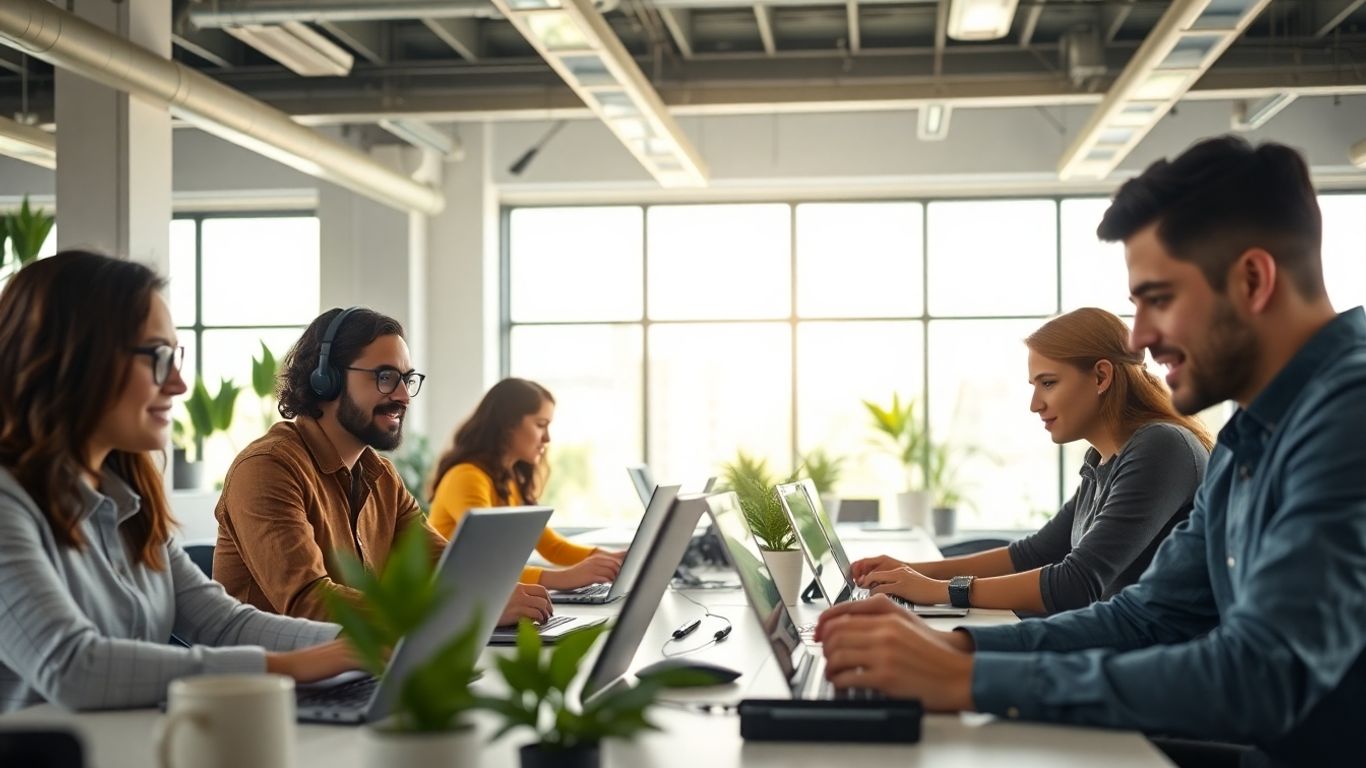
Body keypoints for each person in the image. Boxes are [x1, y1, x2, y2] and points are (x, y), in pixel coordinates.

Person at [815, 136, 1366, 765]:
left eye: (1159, 299)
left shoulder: (1348, 416)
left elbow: (1260, 677)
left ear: (1252, 280)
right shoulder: (1247, 435)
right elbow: (1145, 616)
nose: (1139, 339)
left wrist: (968, 677)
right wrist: (958, 649)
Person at [0, 251, 359, 712]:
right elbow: (72, 667)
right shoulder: (8, 503)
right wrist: (288, 667)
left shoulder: (130, 501)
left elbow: (224, 625)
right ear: (72, 359)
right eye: (158, 356)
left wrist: (369, 643)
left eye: (176, 356)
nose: (178, 384)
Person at [852, 307, 1212, 615]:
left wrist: (937, 590)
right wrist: (910, 571)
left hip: (1157, 662)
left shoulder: (1162, 447)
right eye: (1034, 386)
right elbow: (1033, 554)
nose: (1035, 404)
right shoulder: (1102, 461)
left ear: (1102, 376)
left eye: (1048, 383)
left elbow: (1076, 583)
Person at [213, 308, 550, 625]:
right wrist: (473, 607)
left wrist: (502, 593)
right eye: (385, 377)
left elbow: (445, 567)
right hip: (278, 667)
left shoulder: (381, 477)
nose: (404, 395)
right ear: (326, 379)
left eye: (407, 379)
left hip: (363, 660)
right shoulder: (267, 469)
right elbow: (309, 602)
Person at [427, 378, 625, 591]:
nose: (547, 438)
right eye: (541, 425)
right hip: (448, 600)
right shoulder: (466, 477)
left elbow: (553, 547)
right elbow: (489, 561)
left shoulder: (510, 480)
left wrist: (615, 560)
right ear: (508, 425)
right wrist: (565, 578)